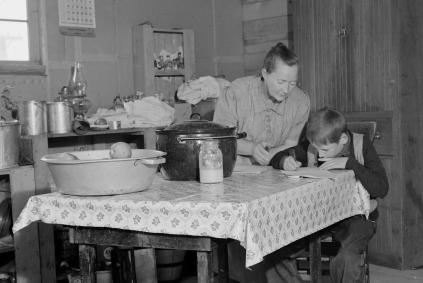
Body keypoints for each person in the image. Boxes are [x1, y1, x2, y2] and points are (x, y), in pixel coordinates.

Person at [271, 108, 389, 282]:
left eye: (325, 150)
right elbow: (277, 157)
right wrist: (284, 161)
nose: (320, 154)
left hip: (358, 217)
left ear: (342, 139)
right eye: (317, 149)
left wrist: (350, 163)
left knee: (347, 257)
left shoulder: (360, 145)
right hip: (321, 216)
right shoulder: (317, 144)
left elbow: (382, 188)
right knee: (272, 250)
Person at [213, 42, 310, 166]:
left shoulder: (301, 101)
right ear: (265, 74)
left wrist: (258, 160)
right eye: (281, 82)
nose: (286, 90)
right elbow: (220, 139)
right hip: (235, 167)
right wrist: (252, 149)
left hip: (275, 163)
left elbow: (290, 145)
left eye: (292, 84)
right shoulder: (234, 94)